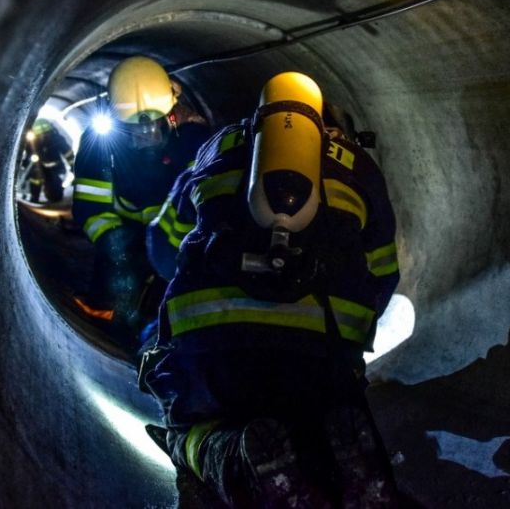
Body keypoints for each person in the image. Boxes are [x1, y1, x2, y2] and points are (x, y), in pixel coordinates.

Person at [141, 72, 401, 508]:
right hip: (321, 357)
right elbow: (383, 274)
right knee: (317, 409)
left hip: (214, 350)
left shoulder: (215, 150)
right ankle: (337, 451)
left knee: (188, 429)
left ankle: (233, 457)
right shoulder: (361, 167)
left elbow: (163, 248)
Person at [71, 56, 210, 347]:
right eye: (134, 126)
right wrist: (115, 245)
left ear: (171, 112)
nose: (146, 132)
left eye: (155, 122)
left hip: (175, 231)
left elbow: (204, 196)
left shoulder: (192, 136)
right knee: (116, 285)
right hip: (126, 228)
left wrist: (187, 245)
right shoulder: (99, 144)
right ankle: (106, 323)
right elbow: (91, 206)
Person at [21, 117, 74, 203]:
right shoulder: (33, 141)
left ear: (50, 131)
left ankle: (54, 197)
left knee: (55, 192)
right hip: (41, 166)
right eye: (40, 135)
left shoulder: (56, 139)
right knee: (35, 177)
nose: (43, 136)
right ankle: (34, 198)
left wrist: (73, 166)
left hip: (56, 168)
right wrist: (25, 163)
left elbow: (68, 153)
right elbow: (28, 153)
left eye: (46, 134)